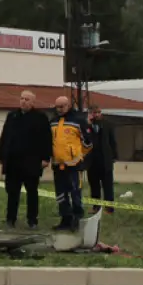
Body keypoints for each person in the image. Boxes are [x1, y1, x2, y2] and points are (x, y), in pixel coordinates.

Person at [0, 89, 52, 229]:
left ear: (33, 102)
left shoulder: (40, 118)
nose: (23, 101)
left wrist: (46, 158)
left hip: (32, 162)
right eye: (22, 98)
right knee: (12, 193)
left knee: (32, 192)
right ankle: (10, 219)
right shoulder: (12, 116)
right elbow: (5, 137)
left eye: (27, 99)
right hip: (13, 163)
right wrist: (1, 155)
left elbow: (47, 139)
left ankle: (32, 220)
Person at [49, 95, 92, 232]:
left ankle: (77, 219)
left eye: (62, 106)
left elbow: (88, 142)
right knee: (61, 194)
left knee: (75, 192)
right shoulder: (53, 122)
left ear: (68, 105)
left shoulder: (78, 120)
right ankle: (65, 219)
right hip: (57, 164)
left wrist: (79, 156)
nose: (59, 109)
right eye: (57, 107)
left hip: (74, 166)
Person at [85, 106, 120, 214]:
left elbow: (112, 141)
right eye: (94, 112)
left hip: (105, 160)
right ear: (90, 113)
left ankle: (109, 208)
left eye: (98, 112)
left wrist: (114, 156)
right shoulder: (87, 125)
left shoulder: (108, 124)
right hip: (92, 160)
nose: (97, 115)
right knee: (94, 185)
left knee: (107, 186)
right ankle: (96, 207)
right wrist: (87, 124)